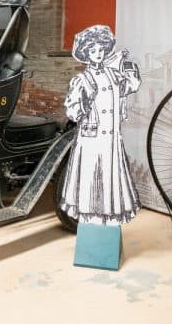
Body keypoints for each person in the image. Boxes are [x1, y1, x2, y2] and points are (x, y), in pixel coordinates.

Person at [60, 25, 141, 226]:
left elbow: (132, 85)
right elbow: (71, 111)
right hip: (91, 139)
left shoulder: (113, 75)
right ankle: (90, 218)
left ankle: (110, 216)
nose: (98, 54)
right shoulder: (81, 80)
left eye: (101, 50)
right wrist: (83, 104)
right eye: (93, 51)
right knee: (91, 177)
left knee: (110, 176)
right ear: (86, 54)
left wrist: (127, 63)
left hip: (112, 139)